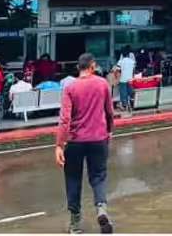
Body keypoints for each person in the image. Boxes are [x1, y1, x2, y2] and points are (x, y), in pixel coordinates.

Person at [55, 53, 114, 234]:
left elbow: (65, 119)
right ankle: (101, 208)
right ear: (93, 66)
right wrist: (109, 131)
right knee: (99, 176)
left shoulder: (70, 88)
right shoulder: (103, 84)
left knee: (73, 178)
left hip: (75, 141)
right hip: (98, 138)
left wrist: (59, 144)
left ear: (78, 68)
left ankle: (75, 224)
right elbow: (109, 112)